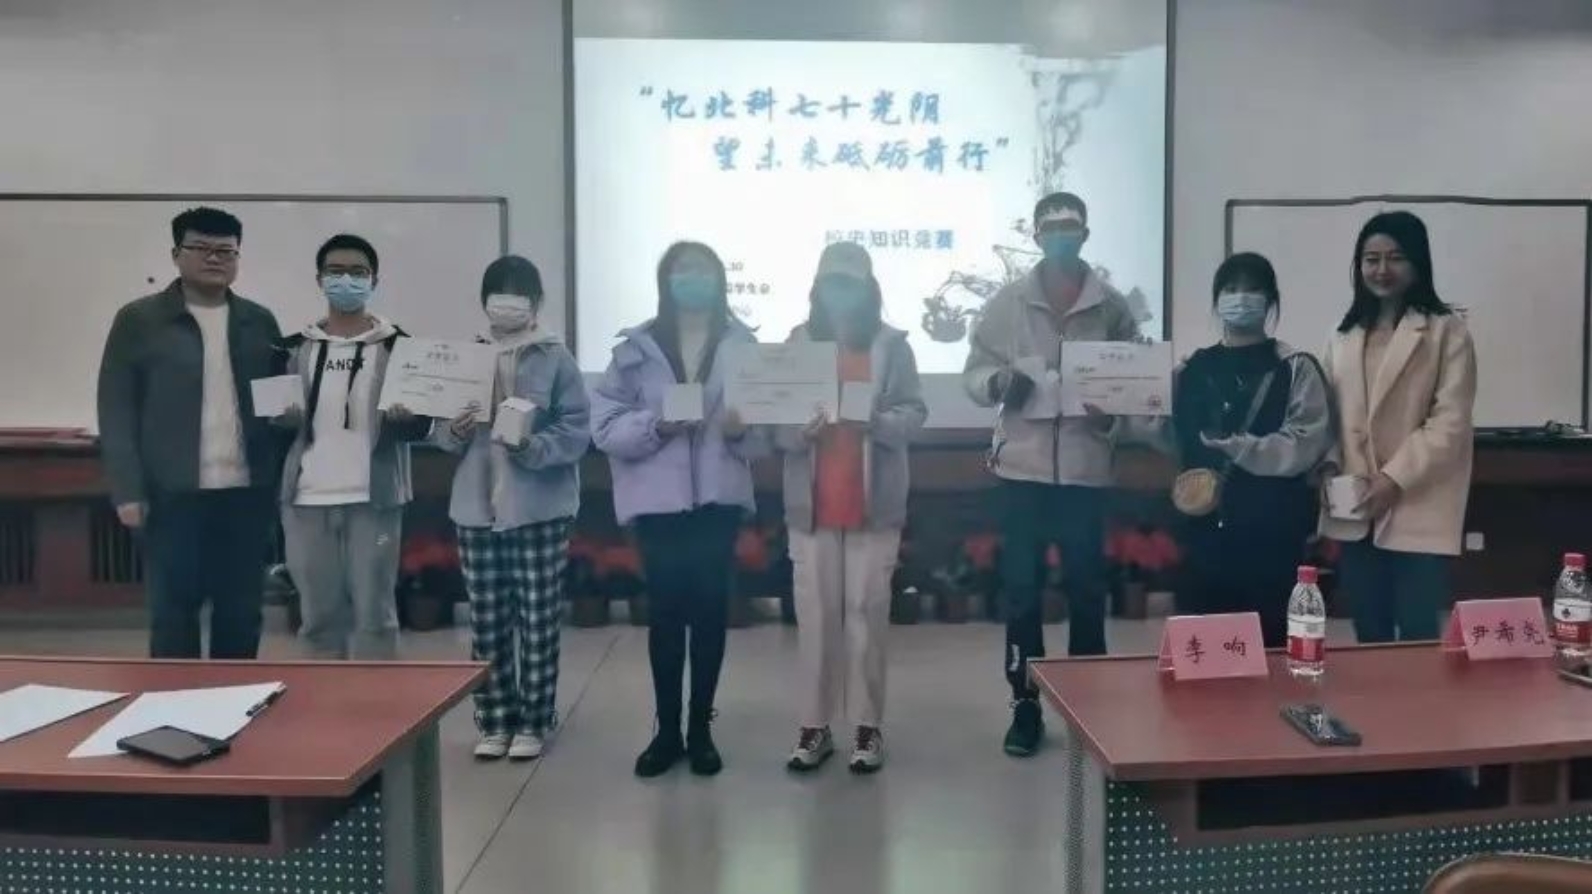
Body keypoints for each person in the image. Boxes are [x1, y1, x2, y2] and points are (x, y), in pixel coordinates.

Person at [962, 191, 1142, 758]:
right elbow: (976, 370)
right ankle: (1025, 705)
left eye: (1071, 227)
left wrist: (1111, 414)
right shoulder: (1007, 302)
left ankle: (1089, 705)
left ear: (1086, 234)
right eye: (1052, 227)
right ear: (1037, 236)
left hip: (1086, 472)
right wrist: (997, 384)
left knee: (1087, 589)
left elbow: (1134, 385)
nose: (1062, 235)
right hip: (1023, 470)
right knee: (1022, 592)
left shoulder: (1112, 308)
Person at [591, 241, 761, 779]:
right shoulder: (635, 348)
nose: (693, 278)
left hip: (717, 501)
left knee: (710, 614)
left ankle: (701, 730)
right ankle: (666, 731)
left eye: (704, 270)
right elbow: (604, 426)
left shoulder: (743, 344)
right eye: (683, 270)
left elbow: (766, 436)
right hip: (657, 503)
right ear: (665, 279)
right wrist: (656, 426)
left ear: (720, 278)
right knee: (664, 616)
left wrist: (742, 430)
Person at [97, 207, 284, 659]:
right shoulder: (139, 320)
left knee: (241, 615)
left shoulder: (259, 321)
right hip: (170, 496)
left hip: (246, 494)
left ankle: (236, 698)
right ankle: (173, 701)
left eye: (226, 251)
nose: (214, 258)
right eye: (200, 248)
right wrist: (127, 490)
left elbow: (278, 405)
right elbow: (116, 408)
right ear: (176, 254)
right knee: (173, 615)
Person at [779, 242, 926, 775]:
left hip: (873, 505)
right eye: (831, 283)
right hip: (812, 507)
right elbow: (776, 426)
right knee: (815, 618)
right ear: (817, 289)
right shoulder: (798, 343)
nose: (840, 293)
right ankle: (814, 725)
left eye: (850, 283)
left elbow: (915, 413)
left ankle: (867, 726)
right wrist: (798, 432)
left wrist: (879, 425)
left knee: (867, 614)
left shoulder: (892, 345)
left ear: (868, 289)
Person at [436, 256, 590, 762]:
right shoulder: (464, 356)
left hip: (539, 508)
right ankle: (495, 720)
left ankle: (534, 720)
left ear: (536, 302)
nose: (507, 302)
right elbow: (440, 434)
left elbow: (576, 428)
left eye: (518, 292)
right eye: (497, 292)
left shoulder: (555, 356)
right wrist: (453, 431)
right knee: (487, 622)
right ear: (484, 301)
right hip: (475, 508)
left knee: (539, 620)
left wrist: (533, 447)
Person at [1320, 211, 1476, 643]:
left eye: (1395, 258)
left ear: (1418, 263)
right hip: (1353, 502)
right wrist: (1328, 470)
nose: (1382, 269)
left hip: (1417, 499)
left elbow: (1450, 421)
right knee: (1368, 632)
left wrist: (1392, 479)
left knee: (1417, 633)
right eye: (1371, 259)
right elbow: (1325, 413)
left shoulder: (1447, 331)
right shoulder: (1341, 333)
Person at [275, 235, 431, 660]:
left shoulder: (399, 346)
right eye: (336, 272)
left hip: (374, 497)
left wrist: (407, 418)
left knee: (375, 617)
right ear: (319, 280)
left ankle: (378, 703)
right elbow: (271, 421)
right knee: (316, 618)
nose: (346, 280)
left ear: (374, 281)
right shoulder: (292, 348)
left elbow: (422, 424)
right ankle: (324, 700)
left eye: (358, 273)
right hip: (306, 498)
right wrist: (281, 421)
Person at [1171, 253, 1334, 647]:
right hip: (1203, 527)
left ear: (1271, 300)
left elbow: (1306, 442)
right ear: (1216, 299)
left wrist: (1241, 448)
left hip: (1273, 528)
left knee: (1270, 644)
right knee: (1204, 646)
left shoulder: (1294, 366)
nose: (1241, 298)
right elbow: (1170, 433)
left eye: (1253, 289)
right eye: (1231, 288)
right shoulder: (1192, 368)